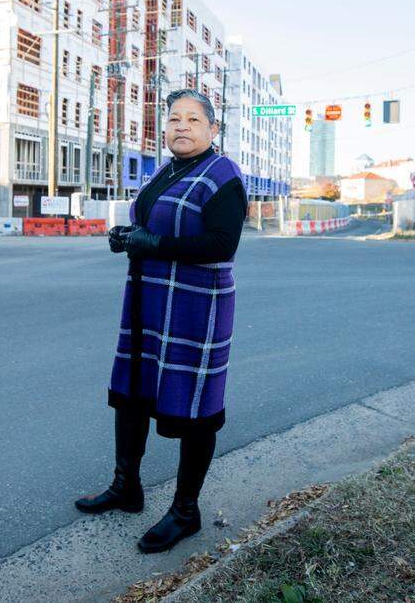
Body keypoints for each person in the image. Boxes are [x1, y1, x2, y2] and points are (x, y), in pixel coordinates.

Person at [75, 88, 248, 554]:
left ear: (214, 129)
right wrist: (129, 237)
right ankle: (126, 487)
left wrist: (152, 244)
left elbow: (220, 245)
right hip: (149, 302)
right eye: (174, 119)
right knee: (132, 391)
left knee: (195, 405)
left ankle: (185, 512)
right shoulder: (166, 169)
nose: (182, 126)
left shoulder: (223, 175)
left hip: (196, 307)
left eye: (194, 119)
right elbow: (154, 226)